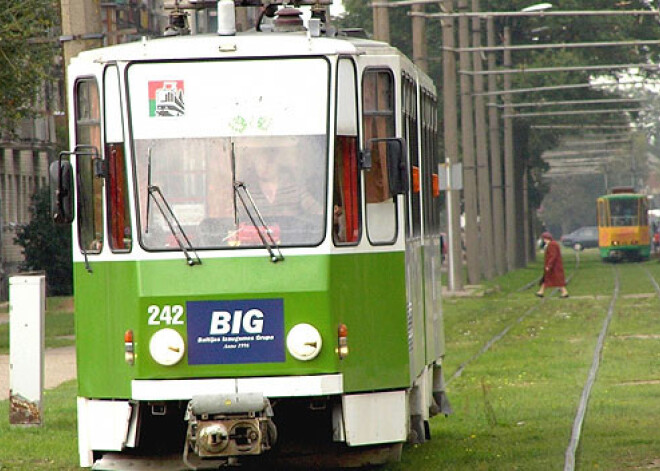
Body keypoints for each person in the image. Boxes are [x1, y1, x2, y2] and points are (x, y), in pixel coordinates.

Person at [536, 231, 569, 298]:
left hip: (554, 267)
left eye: (544, 239)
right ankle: (541, 292)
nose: (543, 241)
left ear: (546, 238)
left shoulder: (552, 245)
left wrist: (549, 265)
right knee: (547, 278)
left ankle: (564, 292)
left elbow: (552, 256)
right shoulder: (553, 244)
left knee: (556, 280)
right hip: (554, 266)